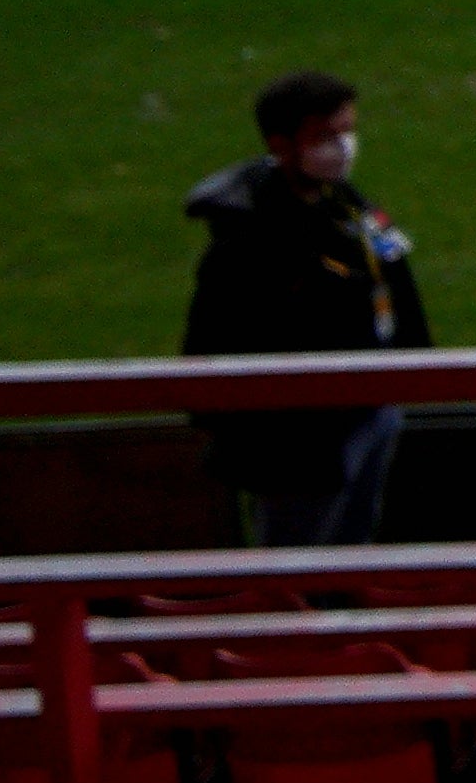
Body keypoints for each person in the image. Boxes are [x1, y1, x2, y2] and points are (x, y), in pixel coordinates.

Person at [181, 70, 432, 546]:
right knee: (295, 556)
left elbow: (390, 275)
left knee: (350, 545)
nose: (342, 146)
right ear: (281, 144)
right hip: (298, 436)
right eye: (324, 136)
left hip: (369, 403)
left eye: (346, 131)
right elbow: (216, 333)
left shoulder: (345, 205)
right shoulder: (250, 238)